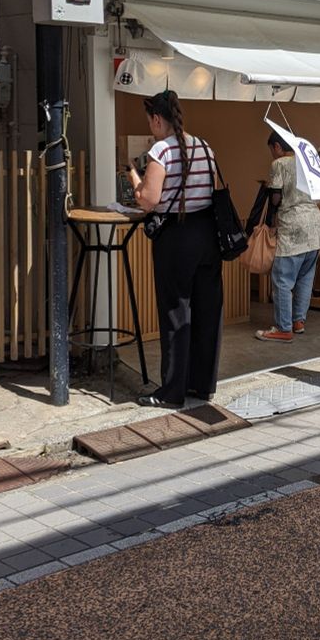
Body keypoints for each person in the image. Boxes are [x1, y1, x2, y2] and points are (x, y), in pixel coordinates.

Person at [128, 90, 223, 407]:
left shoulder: (161, 150)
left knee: (176, 313)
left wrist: (132, 175)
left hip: (177, 239)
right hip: (208, 234)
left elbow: (149, 200)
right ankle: (202, 385)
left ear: (157, 119)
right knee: (207, 311)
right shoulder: (205, 146)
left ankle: (171, 393)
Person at [256, 130, 320, 342]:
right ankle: (298, 322)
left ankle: (284, 328)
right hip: (314, 226)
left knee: (282, 279)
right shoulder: (310, 161)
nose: (272, 155)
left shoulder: (280, 164)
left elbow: (275, 198)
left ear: (277, 146)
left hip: (293, 225)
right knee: (305, 276)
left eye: (271, 150)